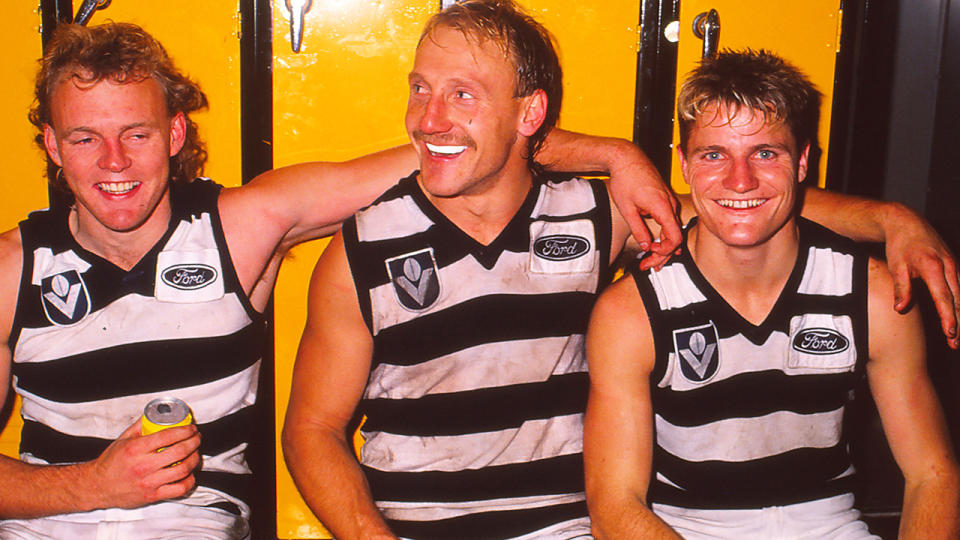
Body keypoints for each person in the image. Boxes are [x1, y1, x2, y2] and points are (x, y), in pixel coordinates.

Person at [282, 2, 960, 539]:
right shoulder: (361, 252)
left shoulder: (594, 218)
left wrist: (889, 220)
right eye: (422, 89)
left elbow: (737, 206)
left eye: (463, 95)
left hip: (566, 528)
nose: (428, 118)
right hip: (411, 527)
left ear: (530, 112)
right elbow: (311, 431)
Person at [0, 21, 684, 538]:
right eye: (85, 137)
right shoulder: (10, 270)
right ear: (53, 146)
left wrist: (616, 156)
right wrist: (89, 485)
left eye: (137, 134)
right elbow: (458, 140)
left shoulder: (243, 227)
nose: (114, 160)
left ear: (176, 134)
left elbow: (455, 150)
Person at [584, 49, 960, 539]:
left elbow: (932, 475)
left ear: (802, 161)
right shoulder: (631, 312)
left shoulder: (872, 294)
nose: (741, 180)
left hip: (827, 525)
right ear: (682, 165)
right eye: (714, 154)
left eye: (765, 152)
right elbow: (615, 506)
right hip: (684, 529)